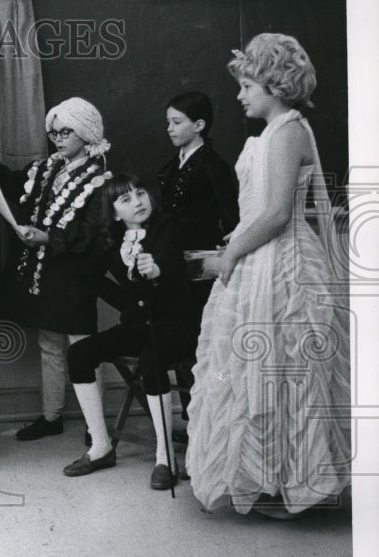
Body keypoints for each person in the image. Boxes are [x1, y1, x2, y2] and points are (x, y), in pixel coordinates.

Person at [187, 33, 351, 518]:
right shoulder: (272, 132)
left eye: (247, 87)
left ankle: (288, 480)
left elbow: (279, 213)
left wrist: (230, 254)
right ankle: (264, 477)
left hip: (283, 267)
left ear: (275, 87)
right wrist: (236, 248)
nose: (240, 96)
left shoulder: (288, 132)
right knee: (254, 368)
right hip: (262, 257)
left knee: (283, 368)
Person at [0, 97, 111, 442]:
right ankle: (51, 416)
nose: (59, 138)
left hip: (76, 273)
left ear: (85, 133)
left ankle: (97, 426)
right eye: (54, 133)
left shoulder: (102, 179)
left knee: (83, 345)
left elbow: (94, 231)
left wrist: (48, 236)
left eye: (66, 132)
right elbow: (17, 185)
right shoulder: (47, 168)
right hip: (45, 272)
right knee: (49, 343)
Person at [63, 174, 199, 488]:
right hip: (140, 324)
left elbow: (170, 260)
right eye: (125, 199)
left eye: (140, 193)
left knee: (152, 360)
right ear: (113, 213)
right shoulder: (111, 241)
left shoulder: (166, 226)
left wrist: (157, 270)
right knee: (79, 353)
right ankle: (101, 447)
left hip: (177, 324)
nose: (137, 201)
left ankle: (166, 459)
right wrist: (128, 305)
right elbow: (96, 280)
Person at [156, 91, 239, 307]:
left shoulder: (212, 165)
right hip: (172, 255)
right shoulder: (174, 163)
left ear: (198, 125)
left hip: (201, 259)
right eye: (168, 122)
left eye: (176, 122)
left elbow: (232, 217)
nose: (169, 129)